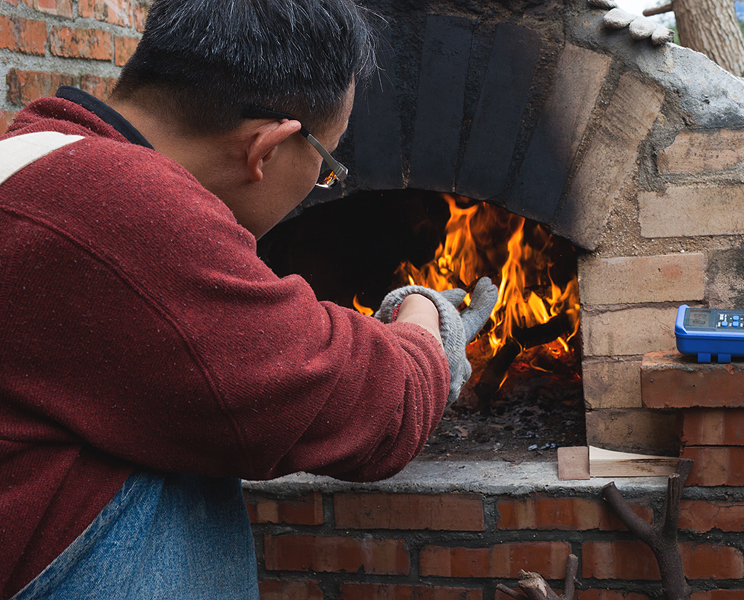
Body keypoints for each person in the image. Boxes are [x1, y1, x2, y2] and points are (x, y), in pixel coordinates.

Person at [0, 0, 497, 597]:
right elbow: (375, 410)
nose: (319, 185)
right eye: (324, 170)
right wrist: (424, 317)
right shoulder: (126, 210)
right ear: (267, 149)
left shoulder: (38, 151)